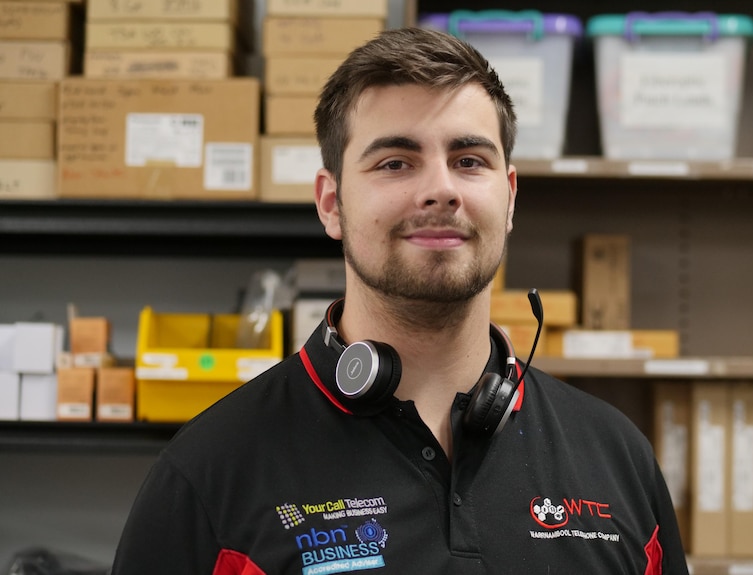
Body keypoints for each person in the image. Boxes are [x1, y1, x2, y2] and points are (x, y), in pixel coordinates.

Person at [111, 27, 688, 574]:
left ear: (508, 198)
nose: (440, 189)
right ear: (331, 203)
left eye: (469, 161)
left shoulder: (619, 461)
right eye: (395, 163)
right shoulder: (208, 477)